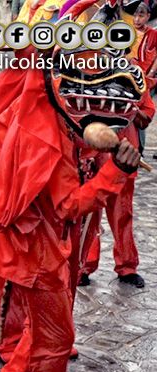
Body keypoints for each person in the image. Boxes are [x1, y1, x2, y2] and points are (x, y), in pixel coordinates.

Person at [0, 39, 141, 372]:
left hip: (41, 246)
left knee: (42, 335)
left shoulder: (41, 114)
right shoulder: (44, 141)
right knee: (56, 337)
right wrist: (115, 174)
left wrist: (96, 145)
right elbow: (69, 205)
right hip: (37, 252)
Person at [79, 0, 153, 289]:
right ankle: (84, 266)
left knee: (123, 213)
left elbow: (146, 108)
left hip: (125, 152)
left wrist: (134, 111)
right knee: (88, 214)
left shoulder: (133, 70)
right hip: (92, 155)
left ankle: (126, 266)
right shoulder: (84, 70)